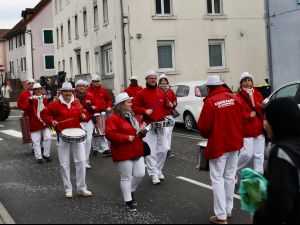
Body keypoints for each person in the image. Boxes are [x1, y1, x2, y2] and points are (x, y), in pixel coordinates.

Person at [198, 75, 244, 224]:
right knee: (230, 178)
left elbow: (203, 128)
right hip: (235, 143)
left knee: (217, 179)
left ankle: (221, 215)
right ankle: (228, 210)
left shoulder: (210, 102)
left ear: (209, 88)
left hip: (219, 145)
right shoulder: (235, 98)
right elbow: (243, 118)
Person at [41, 82, 92, 198]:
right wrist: (51, 121)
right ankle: (68, 189)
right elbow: (44, 113)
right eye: (65, 91)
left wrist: (84, 115)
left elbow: (84, 114)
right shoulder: (55, 104)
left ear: (72, 92)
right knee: (64, 164)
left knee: (81, 162)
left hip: (77, 134)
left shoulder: (77, 102)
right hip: (62, 135)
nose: (68, 93)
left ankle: (81, 188)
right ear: (61, 92)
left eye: (70, 91)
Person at [253, 97, 300, 224]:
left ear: (278, 121)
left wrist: (259, 218)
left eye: (267, 119)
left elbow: (280, 205)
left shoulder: (281, 152)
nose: (264, 123)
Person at [105, 93, 146, 212]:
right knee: (126, 177)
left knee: (140, 174)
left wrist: (143, 131)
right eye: (128, 102)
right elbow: (110, 134)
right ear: (121, 105)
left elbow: (138, 133)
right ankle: (128, 200)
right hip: (122, 151)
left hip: (137, 149)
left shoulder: (133, 116)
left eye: (130, 101)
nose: (131, 104)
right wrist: (125, 137)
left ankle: (130, 190)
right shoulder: (113, 118)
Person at [132, 69, 172, 185]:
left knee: (164, 149)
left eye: (154, 78)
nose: (153, 80)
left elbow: (166, 104)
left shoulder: (161, 92)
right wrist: (145, 110)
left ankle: (158, 169)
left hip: (160, 124)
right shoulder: (141, 93)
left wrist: (169, 104)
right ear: (146, 79)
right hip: (148, 124)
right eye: (151, 78)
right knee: (150, 151)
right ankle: (154, 174)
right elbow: (134, 107)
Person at [237, 72, 265, 175]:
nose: (247, 82)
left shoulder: (258, 94)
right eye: (245, 80)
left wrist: (263, 107)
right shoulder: (238, 97)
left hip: (259, 129)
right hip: (247, 130)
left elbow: (261, 111)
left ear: (252, 82)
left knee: (259, 155)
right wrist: (248, 116)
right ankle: (233, 171)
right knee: (247, 154)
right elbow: (237, 115)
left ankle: (258, 177)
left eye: (249, 80)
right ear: (241, 83)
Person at [23, 83, 52, 164]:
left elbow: (48, 109)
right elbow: (26, 109)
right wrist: (30, 102)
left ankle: (46, 155)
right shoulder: (30, 99)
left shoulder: (45, 98)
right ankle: (39, 157)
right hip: (34, 123)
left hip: (44, 122)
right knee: (36, 141)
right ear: (34, 91)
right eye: (36, 89)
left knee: (48, 138)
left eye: (40, 89)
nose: (38, 90)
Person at [87, 75, 112, 157]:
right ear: (92, 82)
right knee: (94, 132)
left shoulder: (103, 90)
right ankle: (95, 148)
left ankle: (105, 149)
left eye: (98, 81)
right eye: (95, 81)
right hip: (92, 113)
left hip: (102, 113)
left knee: (102, 132)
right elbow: (86, 102)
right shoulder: (88, 91)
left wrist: (108, 106)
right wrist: (90, 106)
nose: (97, 83)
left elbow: (108, 99)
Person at [75, 80, 96, 169]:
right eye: (79, 86)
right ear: (76, 87)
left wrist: (91, 108)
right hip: (78, 121)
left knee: (88, 140)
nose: (81, 87)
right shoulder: (73, 97)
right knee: (81, 141)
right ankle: (82, 160)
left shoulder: (90, 95)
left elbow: (97, 106)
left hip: (89, 120)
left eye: (83, 86)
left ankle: (86, 159)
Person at [158, 74, 177, 158]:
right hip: (162, 115)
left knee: (169, 133)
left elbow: (175, 100)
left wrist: (174, 103)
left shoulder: (170, 90)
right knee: (164, 133)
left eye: (164, 80)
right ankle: (163, 150)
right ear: (159, 82)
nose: (163, 82)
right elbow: (157, 102)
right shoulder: (157, 90)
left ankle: (168, 149)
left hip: (171, 114)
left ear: (167, 81)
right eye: (162, 81)